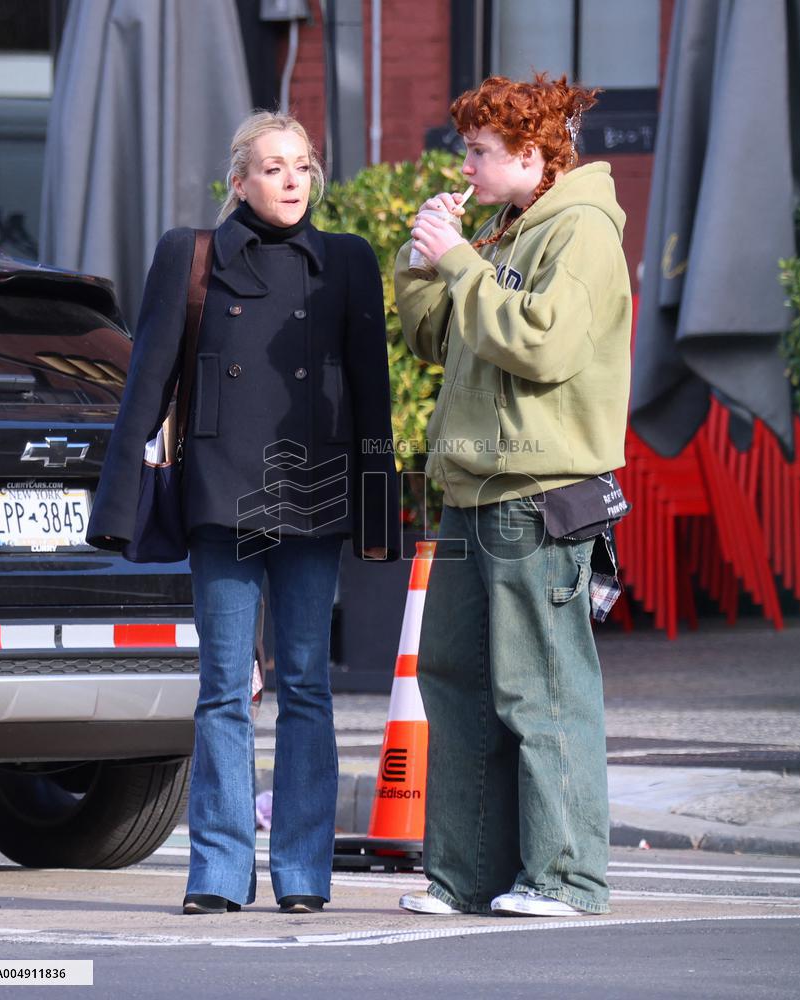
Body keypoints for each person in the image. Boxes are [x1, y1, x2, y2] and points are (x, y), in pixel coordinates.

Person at [87, 111, 398, 916]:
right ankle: (219, 871)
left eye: (301, 165)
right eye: (272, 167)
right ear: (240, 181)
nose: (292, 180)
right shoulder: (190, 256)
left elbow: (373, 395)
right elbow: (147, 382)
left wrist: (379, 508)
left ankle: (303, 870)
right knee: (224, 687)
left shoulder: (348, 261)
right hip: (221, 494)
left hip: (314, 494)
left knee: (307, 687)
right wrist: (117, 501)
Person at [394, 74, 631, 918]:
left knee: (542, 687)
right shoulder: (505, 230)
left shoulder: (582, 229)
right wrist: (423, 260)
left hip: (540, 490)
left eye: (480, 151)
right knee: (456, 681)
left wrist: (461, 262)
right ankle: (465, 876)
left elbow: (544, 345)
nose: (465, 165)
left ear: (533, 154)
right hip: (473, 490)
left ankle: (567, 879)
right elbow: (432, 337)